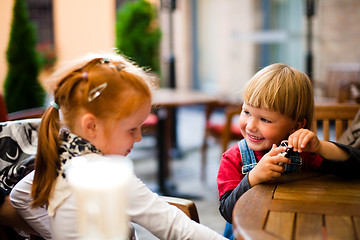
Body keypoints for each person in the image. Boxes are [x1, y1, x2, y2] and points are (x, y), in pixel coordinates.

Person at [10, 52, 226, 240]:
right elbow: (177, 228)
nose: (139, 138)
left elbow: (19, 196)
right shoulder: (105, 174)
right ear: (91, 126)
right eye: (132, 129)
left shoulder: (59, 158)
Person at [216, 63, 360, 239]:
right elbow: (226, 211)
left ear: (296, 126)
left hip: (294, 231)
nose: (251, 126)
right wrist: (252, 178)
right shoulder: (234, 158)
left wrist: (321, 147)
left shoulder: (304, 153)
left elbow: (355, 166)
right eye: (246, 112)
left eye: (265, 119)